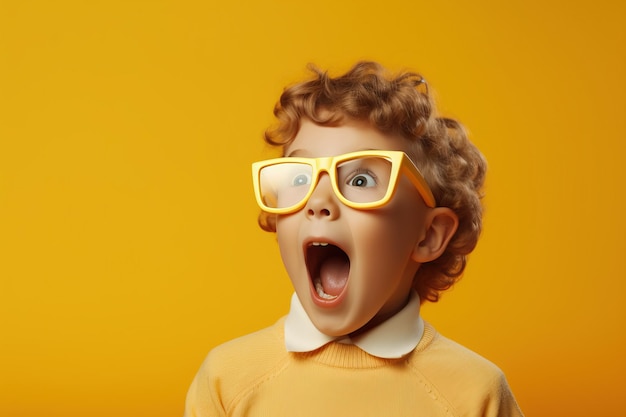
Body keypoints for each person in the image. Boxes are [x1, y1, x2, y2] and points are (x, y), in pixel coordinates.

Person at [184, 61, 524, 416]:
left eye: (360, 180)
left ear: (429, 235)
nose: (319, 201)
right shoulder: (227, 381)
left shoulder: (474, 394)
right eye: (300, 179)